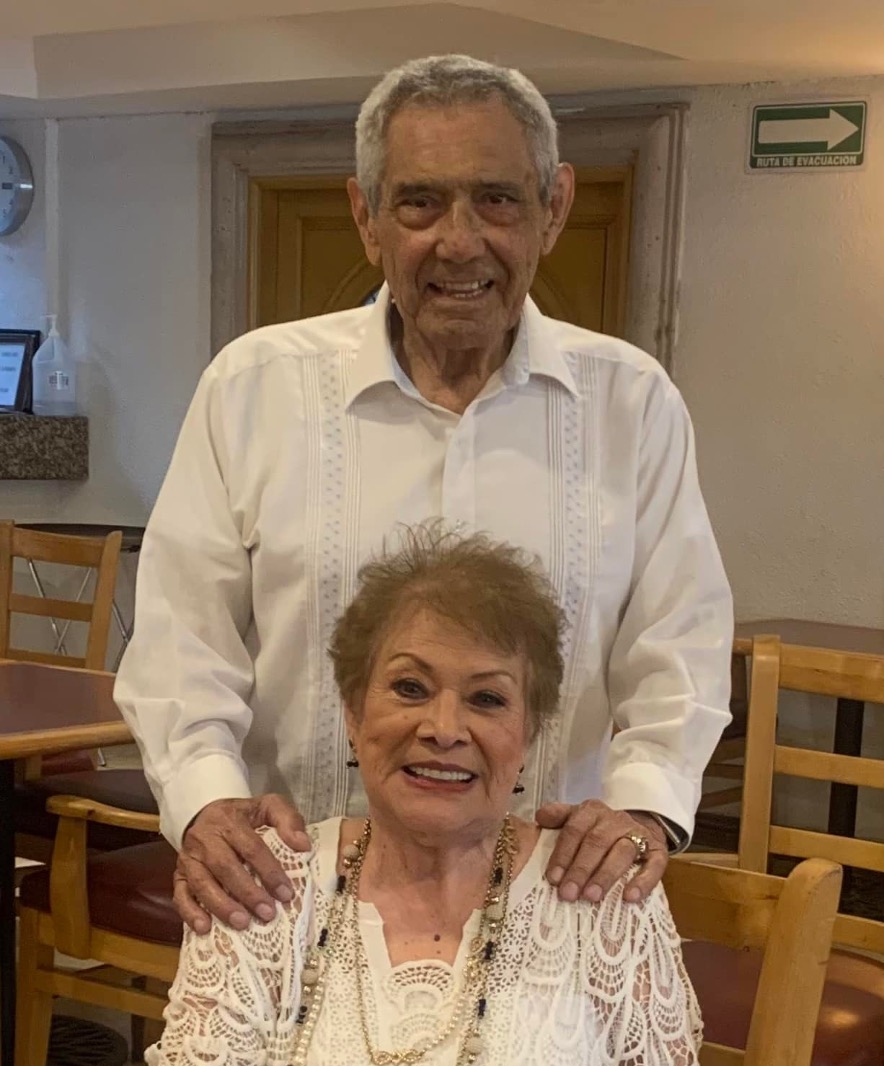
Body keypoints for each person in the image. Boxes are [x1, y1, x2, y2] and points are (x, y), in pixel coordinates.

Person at [114, 53, 733, 936]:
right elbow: (181, 644)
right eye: (420, 203)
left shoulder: (632, 405)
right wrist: (208, 804)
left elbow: (681, 645)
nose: (459, 240)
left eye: (497, 200)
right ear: (366, 217)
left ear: (554, 207)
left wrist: (643, 807)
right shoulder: (252, 389)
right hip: (285, 896)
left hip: (555, 906)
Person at [124, 528, 805, 1066]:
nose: (443, 729)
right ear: (353, 710)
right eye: (409, 688)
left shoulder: (597, 900)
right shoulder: (267, 883)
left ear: (528, 733)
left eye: (487, 699)